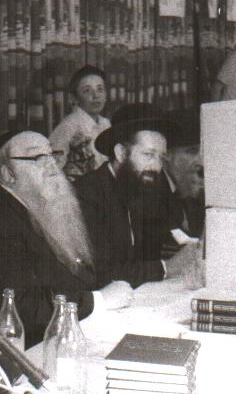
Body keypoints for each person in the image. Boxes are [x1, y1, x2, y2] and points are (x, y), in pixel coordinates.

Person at [0, 130, 132, 348]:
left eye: (52, 155)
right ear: (7, 173)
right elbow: (21, 308)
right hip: (31, 348)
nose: (51, 165)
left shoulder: (39, 207)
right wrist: (98, 301)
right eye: (37, 157)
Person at [75, 103, 203, 288]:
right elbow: (102, 272)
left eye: (160, 157)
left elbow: (153, 248)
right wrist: (167, 267)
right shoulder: (87, 194)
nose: (156, 167)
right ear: (121, 153)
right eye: (148, 155)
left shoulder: (142, 187)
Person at [49, 65, 110, 180]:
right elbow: (52, 171)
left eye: (100, 89)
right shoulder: (67, 127)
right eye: (87, 91)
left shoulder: (106, 124)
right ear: (74, 98)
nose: (95, 96)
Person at [164, 111, 204, 238]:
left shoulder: (189, 188)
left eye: (202, 152)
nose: (201, 161)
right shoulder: (152, 196)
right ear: (166, 154)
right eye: (192, 151)